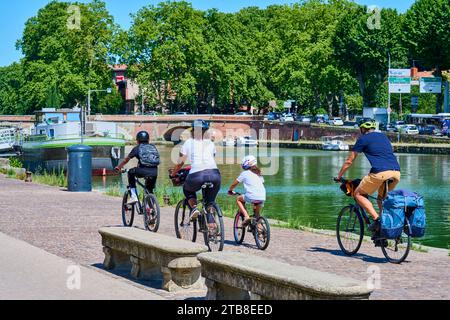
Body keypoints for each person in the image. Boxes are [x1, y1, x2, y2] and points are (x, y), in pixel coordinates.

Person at [335, 121, 401, 236]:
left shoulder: (363, 139)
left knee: (358, 194)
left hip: (380, 172)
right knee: (380, 198)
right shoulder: (383, 136)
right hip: (396, 172)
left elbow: (349, 161)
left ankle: (376, 220)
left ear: (362, 129)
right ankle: (384, 228)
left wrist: (339, 176)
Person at [171, 120, 221, 224]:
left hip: (197, 175)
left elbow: (180, 163)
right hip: (215, 175)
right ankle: (212, 227)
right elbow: (211, 159)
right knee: (209, 203)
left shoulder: (188, 142)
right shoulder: (211, 143)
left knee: (187, 190)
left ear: (193, 131)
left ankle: (194, 208)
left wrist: (173, 173)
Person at [115, 131, 160, 204]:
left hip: (143, 170)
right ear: (148, 140)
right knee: (149, 189)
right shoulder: (153, 147)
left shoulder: (137, 148)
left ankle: (133, 196)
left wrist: (119, 167)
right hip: (154, 171)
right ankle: (151, 208)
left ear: (137, 140)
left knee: (130, 172)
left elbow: (126, 160)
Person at [228, 155, 266, 226]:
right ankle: (261, 232)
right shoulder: (259, 173)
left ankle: (246, 216)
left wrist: (230, 190)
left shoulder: (244, 174)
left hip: (252, 196)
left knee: (238, 199)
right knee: (257, 215)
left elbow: (234, 184)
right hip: (262, 196)